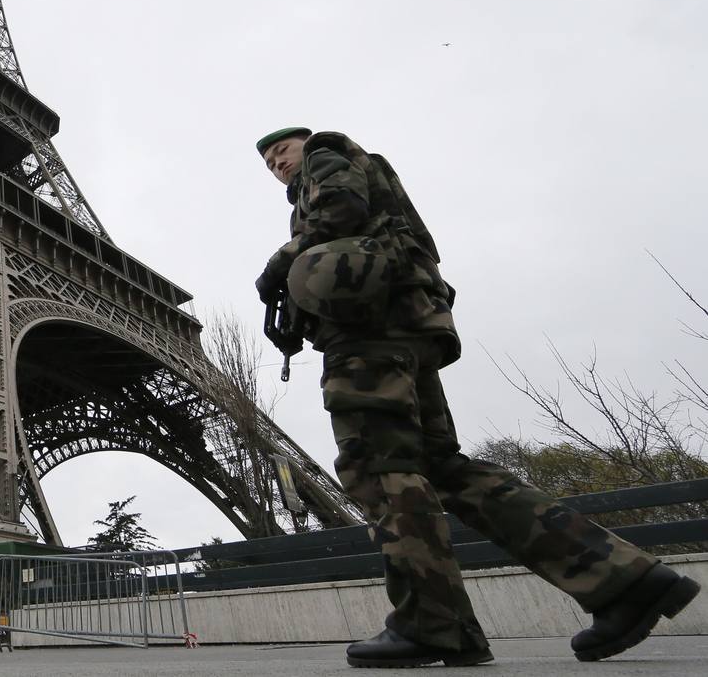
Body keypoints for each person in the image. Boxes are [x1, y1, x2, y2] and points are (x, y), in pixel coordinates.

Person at [253, 127, 701, 668]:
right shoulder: (344, 176)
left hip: (368, 335)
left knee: (379, 466)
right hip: (408, 328)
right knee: (443, 469)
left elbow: (340, 215)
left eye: (283, 150)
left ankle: (431, 624)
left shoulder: (327, 161)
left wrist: (280, 262)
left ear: (308, 143)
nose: (277, 162)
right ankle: (625, 582)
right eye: (269, 161)